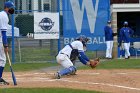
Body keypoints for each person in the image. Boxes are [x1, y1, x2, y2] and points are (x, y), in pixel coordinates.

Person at [0, 1, 15, 85]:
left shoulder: (1, 14)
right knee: (2, 60)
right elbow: (3, 33)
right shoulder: (4, 16)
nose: (12, 10)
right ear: (6, 8)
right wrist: (5, 45)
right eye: (11, 8)